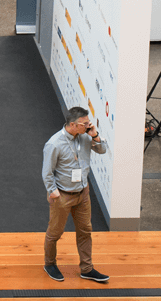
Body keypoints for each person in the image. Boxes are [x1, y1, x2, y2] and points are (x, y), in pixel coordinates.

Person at [41, 107, 109, 284]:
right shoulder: (54, 143)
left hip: (83, 193)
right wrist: (53, 191)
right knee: (55, 233)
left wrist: (95, 135)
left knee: (85, 231)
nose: (88, 125)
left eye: (88, 122)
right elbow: (47, 172)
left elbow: (102, 150)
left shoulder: (86, 136)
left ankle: (87, 269)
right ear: (73, 125)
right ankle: (49, 264)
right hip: (62, 195)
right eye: (85, 123)